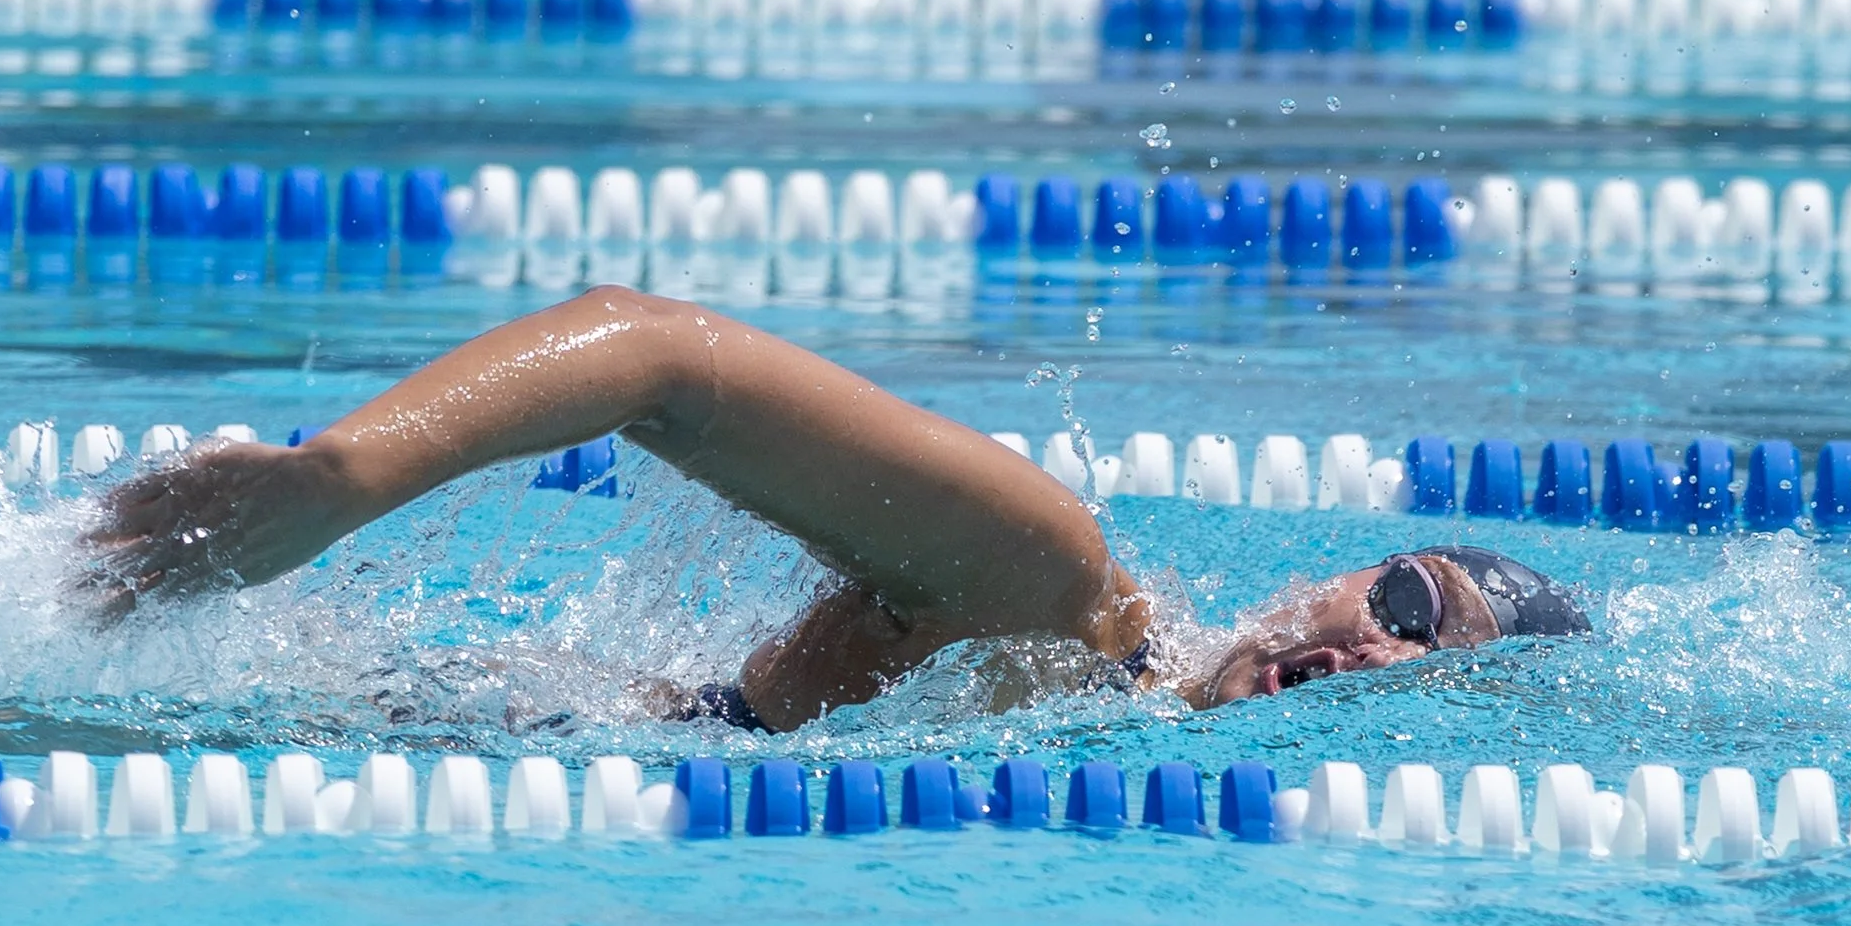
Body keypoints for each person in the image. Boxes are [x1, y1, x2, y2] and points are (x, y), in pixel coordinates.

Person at [86, 287, 1589, 731]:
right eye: (1404, 608)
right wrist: (333, 485)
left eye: (1422, 682)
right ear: (1336, 574)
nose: (1378, 662)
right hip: (464, 740)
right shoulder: (1056, 595)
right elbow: (658, 356)